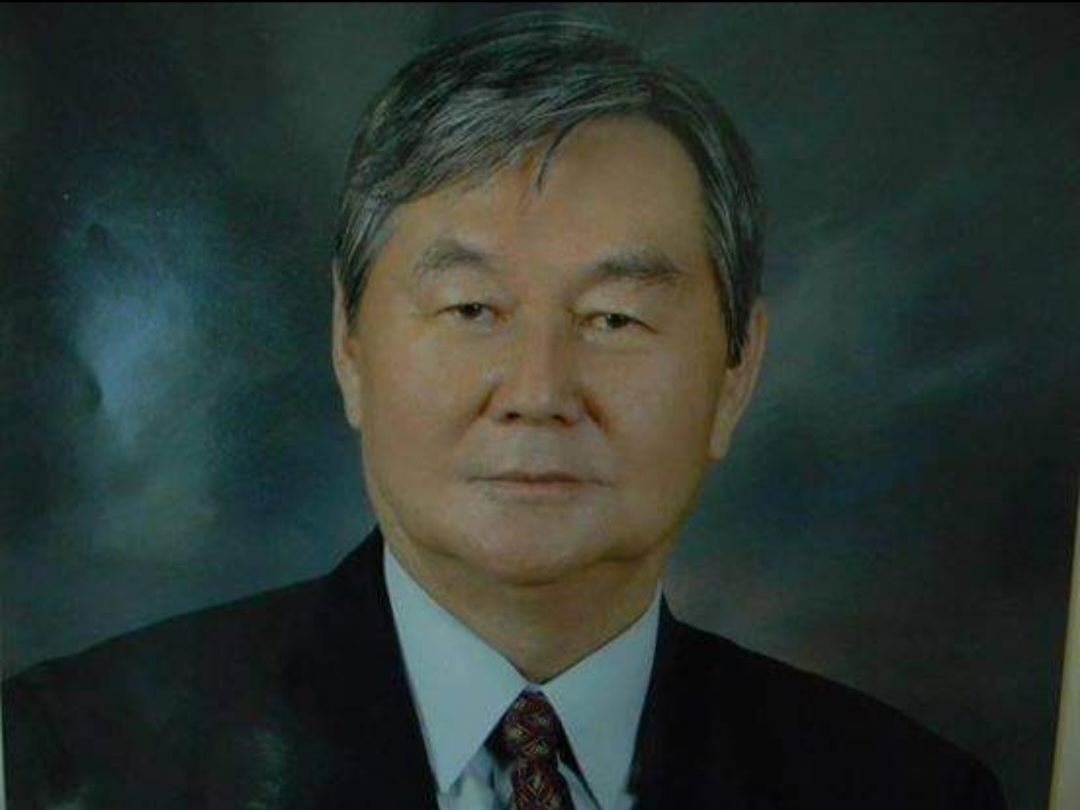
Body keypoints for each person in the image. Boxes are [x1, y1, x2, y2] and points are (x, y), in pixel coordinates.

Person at [2, 13, 1006, 810]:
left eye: (614, 318)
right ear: (349, 344)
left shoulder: (907, 791)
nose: (537, 392)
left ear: (737, 372)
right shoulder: (69, 761)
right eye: (472, 309)